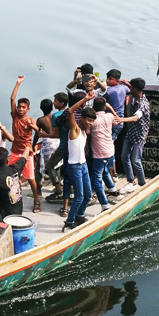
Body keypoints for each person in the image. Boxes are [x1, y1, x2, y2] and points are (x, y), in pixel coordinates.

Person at [63, 91, 95, 231]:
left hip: (83, 166)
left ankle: (79, 216)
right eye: (88, 120)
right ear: (81, 118)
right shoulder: (75, 129)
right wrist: (85, 99)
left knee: (88, 194)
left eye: (92, 121)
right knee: (79, 197)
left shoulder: (83, 131)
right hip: (74, 167)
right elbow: (70, 110)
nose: (90, 123)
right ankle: (69, 222)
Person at [9, 76, 42, 213]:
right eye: (19, 107)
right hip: (14, 151)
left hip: (26, 152)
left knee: (31, 179)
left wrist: (32, 126)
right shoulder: (15, 116)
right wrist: (17, 83)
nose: (21, 109)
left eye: (23, 107)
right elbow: (12, 99)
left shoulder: (30, 120)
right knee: (11, 178)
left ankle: (36, 200)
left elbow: (39, 131)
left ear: (28, 109)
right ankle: (15, 199)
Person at [116, 78, 150, 193]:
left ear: (135, 89)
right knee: (124, 156)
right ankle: (131, 181)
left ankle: (142, 184)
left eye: (130, 87)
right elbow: (132, 87)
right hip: (131, 132)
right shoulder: (135, 95)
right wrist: (127, 83)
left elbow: (136, 117)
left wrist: (121, 119)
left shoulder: (142, 104)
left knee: (136, 160)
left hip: (140, 134)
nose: (129, 89)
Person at [86, 96, 116, 211]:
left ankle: (104, 204)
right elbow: (116, 119)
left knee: (96, 179)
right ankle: (112, 189)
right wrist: (110, 108)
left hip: (99, 153)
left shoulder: (93, 120)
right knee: (104, 171)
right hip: (110, 150)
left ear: (93, 107)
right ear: (105, 107)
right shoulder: (109, 116)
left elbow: (87, 131)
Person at [0, 147, 27, 220]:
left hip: (6, 217)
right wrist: (28, 147)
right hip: (18, 212)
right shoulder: (15, 168)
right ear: (7, 160)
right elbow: (24, 158)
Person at [41, 92, 69, 200]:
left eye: (56, 101)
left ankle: (58, 190)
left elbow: (56, 135)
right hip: (71, 147)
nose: (54, 103)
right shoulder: (70, 112)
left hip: (62, 147)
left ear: (61, 103)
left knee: (49, 166)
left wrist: (44, 135)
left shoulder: (56, 116)